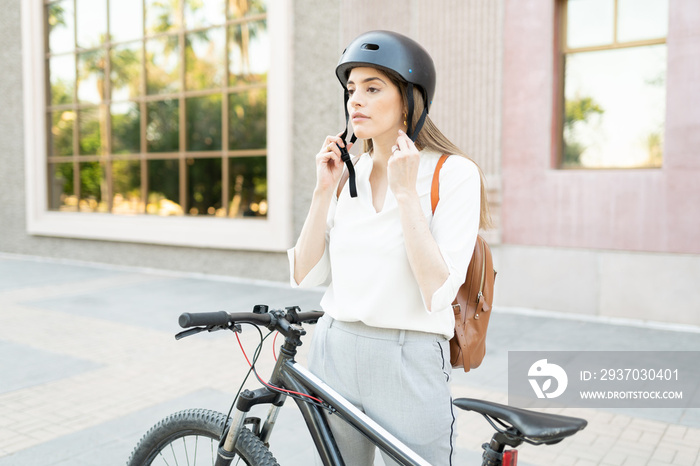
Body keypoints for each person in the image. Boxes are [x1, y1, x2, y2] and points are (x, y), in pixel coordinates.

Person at [288, 30, 491, 466]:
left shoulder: (453, 174)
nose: (355, 101)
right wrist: (323, 191)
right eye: (351, 89)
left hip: (408, 357)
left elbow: (438, 292)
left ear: (409, 100)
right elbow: (305, 273)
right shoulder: (349, 173)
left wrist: (405, 195)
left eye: (372, 88)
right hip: (333, 351)